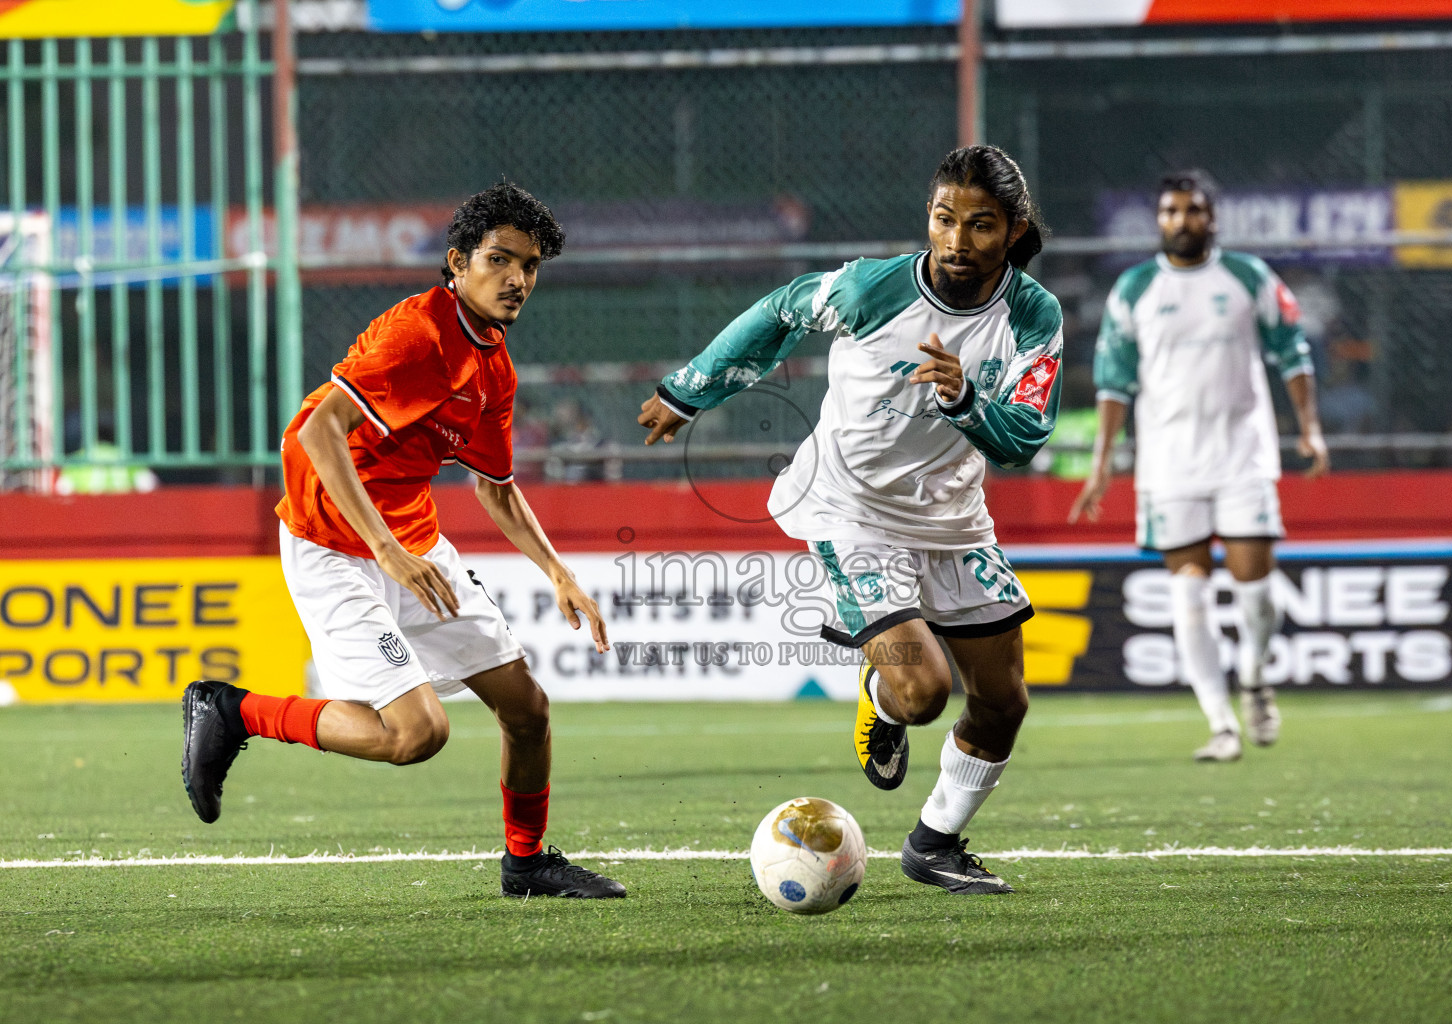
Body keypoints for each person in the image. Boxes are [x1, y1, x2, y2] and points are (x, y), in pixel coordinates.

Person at [180, 182, 625, 899]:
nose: (517, 279)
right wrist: (385, 548)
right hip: (336, 546)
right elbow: (318, 429)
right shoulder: (416, 335)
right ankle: (232, 711)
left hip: (413, 547)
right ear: (457, 262)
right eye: (500, 260)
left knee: (527, 709)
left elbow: (497, 488)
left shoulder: (494, 367)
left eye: (531, 266)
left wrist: (558, 572)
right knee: (416, 735)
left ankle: (527, 863)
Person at [637, 146, 1062, 895]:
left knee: (1003, 704)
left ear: (1014, 230)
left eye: (981, 226)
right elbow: (779, 310)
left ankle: (935, 843)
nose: (958, 241)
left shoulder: (1033, 316)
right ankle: (879, 697)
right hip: (850, 508)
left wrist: (965, 401)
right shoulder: (871, 288)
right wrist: (689, 389)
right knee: (923, 694)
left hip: (953, 518)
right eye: (944, 219)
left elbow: (1024, 437)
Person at [1068, 169, 1329, 762]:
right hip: (1169, 466)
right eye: (1169, 211)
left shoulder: (1247, 276)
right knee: (1188, 598)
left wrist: (1309, 429)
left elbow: (1293, 351)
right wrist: (1102, 465)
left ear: (1212, 217)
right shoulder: (1134, 289)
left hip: (1243, 456)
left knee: (1256, 594)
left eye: (1191, 210)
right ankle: (1221, 724)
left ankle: (1257, 680)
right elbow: (1114, 381)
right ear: (1157, 219)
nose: (1180, 221)